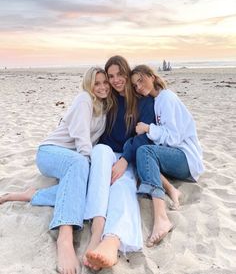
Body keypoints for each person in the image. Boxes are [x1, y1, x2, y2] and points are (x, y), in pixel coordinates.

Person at [0, 67, 112, 274]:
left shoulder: (105, 107)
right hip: (51, 152)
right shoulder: (84, 99)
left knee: (84, 184)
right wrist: (87, 165)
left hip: (74, 159)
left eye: (105, 82)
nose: (102, 86)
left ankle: (31, 195)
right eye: (97, 83)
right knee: (80, 166)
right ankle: (65, 236)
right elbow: (81, 138)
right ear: (89, 84)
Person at [84, 56, 156, 270]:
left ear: (127, 72)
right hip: (106, 152)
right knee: (101, 153)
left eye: (120, 75)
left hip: (129, 155)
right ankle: (96, 234)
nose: (115, 81)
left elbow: (146, 137)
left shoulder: (145, 101)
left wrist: (125, 159)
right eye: (111, 76)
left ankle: (112, 240)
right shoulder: (110, 101)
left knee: (122, 184)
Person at [130, 64, 205, 247]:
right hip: (176, 156)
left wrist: (148, 128)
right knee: (141, 157)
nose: (139, 86)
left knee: (144, 152)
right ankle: (172, 190)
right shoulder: (157, 101)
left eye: (141, 80)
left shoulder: (167, 98)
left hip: (186, 158)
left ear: (152, 76)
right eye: (135, 85)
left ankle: (162, 218)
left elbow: (173, 137)